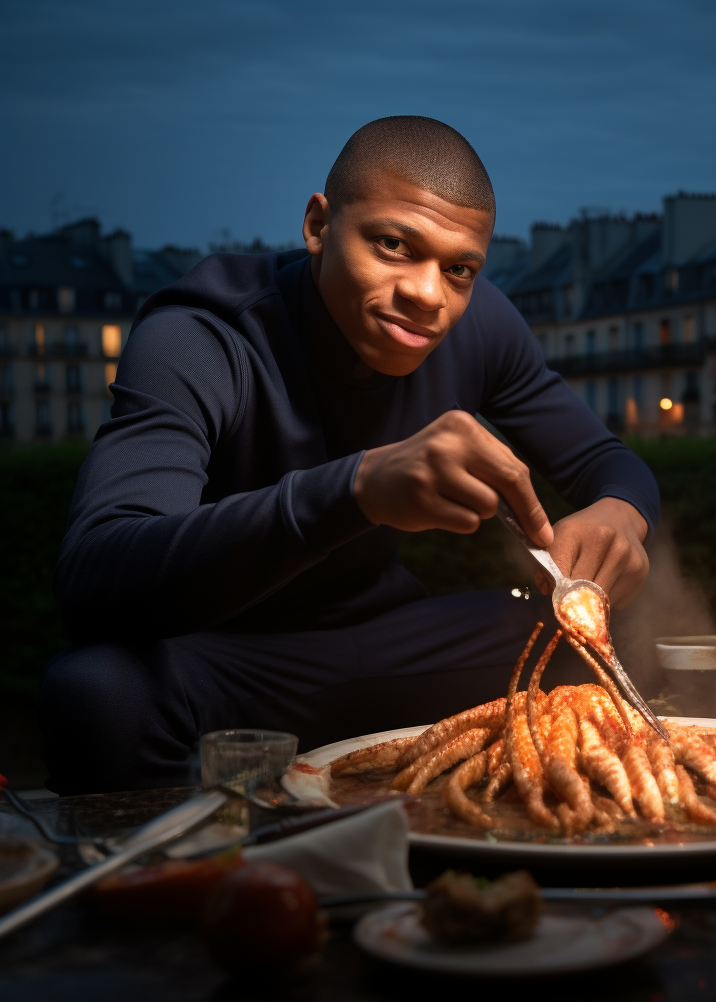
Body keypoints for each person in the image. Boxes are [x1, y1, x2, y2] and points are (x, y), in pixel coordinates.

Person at [40, 116, 659, 795]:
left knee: (583, 629)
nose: (429, 294)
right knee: (96, 692)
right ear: (318, 226)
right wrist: (353, 488)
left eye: (459, 269)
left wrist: (622, 512)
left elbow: (607, 459)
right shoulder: (202, 338)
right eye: (394, 245)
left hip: (391, 646)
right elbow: (95, 579)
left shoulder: (480, 324)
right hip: (227, 663)